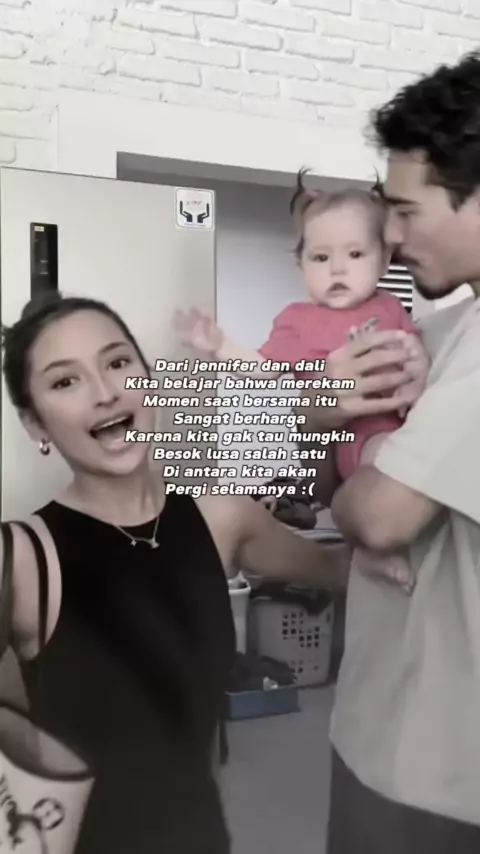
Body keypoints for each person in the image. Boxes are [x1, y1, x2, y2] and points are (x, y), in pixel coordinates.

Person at [0, 293, 351, 854]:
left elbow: (344, 569)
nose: (106, 392)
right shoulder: (20, 557)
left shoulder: (222, 518)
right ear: (35, 423)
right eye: (65, 381)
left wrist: (368, 442)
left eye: (118, 362)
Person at [303, 51, 480, 853]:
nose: (392, 238)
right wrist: (320, 408)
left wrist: (350, 482)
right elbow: (321, 466)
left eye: (406, 212)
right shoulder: (435, 330)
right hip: (379, 729)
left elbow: (380, 518)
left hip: (440, 774)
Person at [175, 173, 428, 591]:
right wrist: (220, 346)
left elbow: (415, 351)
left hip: (397, 426)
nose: (338, 269)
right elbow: (262, 368)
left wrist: (415, 382)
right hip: (353, 440)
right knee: (384, 469)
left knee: (400, 472)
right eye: (320, 258)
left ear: (384, 260)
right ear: (301, 266)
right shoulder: (298, 320)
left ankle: (374, 548)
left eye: (355, 254)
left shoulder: (390, 307)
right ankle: (373, 552)